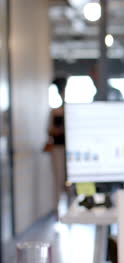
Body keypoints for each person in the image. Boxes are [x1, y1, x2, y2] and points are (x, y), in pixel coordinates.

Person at [47, 77, 68, 212]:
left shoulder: (70, 109)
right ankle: (57, 209)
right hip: (58, 148)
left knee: (70, 180)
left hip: (70, 150)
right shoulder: (55, 112)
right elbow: (49, 130)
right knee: (58, 179)